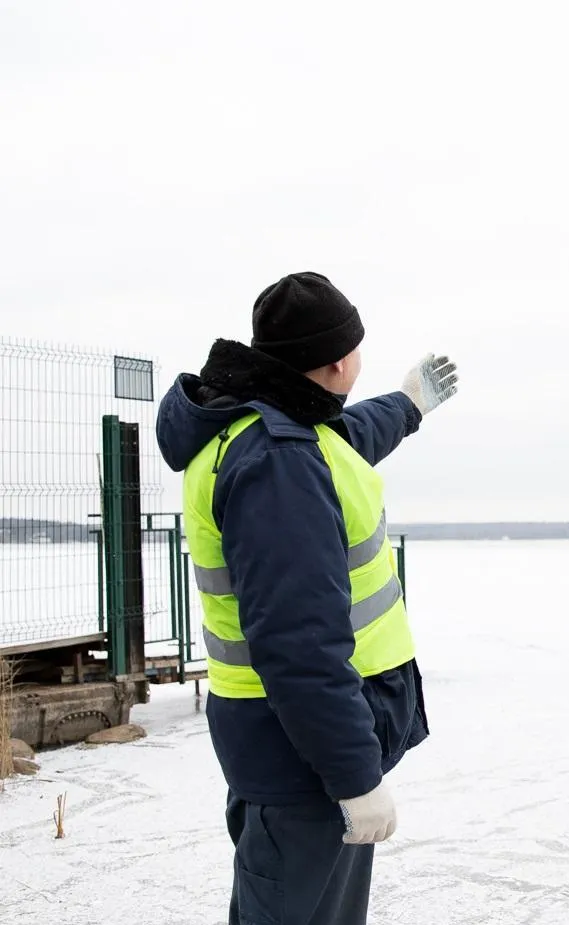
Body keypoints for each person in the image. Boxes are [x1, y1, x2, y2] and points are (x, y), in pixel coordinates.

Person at [156, 271, 459, 925]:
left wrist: (407, 404)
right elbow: (300, 646)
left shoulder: (275, 426)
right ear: (337, 361)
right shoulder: (278, 463)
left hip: (292, 749)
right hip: (306, 761)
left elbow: (352, 433)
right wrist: (353, 775)